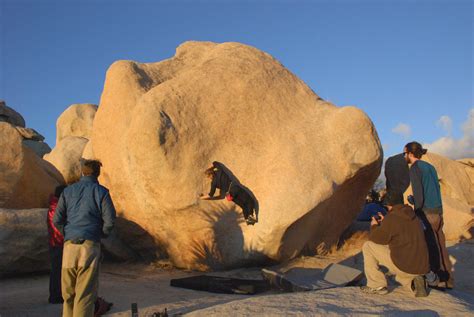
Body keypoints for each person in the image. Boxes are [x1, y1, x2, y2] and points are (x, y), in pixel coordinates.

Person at [53, 160, 116, 317]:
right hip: (89, 246)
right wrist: (101, 234)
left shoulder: (67, 191)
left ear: (82, 172)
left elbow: (56, 219)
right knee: (85, 293)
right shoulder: (102, 192)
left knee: (68, 294)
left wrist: (67, 233)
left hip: (69, 246)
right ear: (98, 173)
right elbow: (110, 220)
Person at [360, 191, 430, 297]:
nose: (386, 209)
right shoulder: (413, 216)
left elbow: (376, 238)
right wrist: (385, 223)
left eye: (387, 207)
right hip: (421, 266)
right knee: (399, 274)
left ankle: (376, 285)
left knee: (368, 246)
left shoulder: (392, 218)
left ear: (389, 205)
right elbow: (399, 231)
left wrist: (374, 226)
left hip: (406, 265)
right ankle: (414, 283)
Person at [403, 141, 453, 288]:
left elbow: (419, 194)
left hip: (426, 213)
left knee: (431, 247)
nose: (404, 156)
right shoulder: (430, 167)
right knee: (441, 246)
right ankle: (448, 280)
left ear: (411, 154)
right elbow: (435, 189)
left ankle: (437, 281)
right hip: (438, 211)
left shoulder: (415, 168)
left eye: (404, 153)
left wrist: (415, 208)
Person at [47, 184, 67, 304]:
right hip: (58, 242)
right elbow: (57, 227)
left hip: (56, 242)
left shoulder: (55, 205)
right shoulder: (56, 207)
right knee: (57, 270)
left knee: (58, 270)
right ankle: (55, 296)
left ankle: (57, 294)